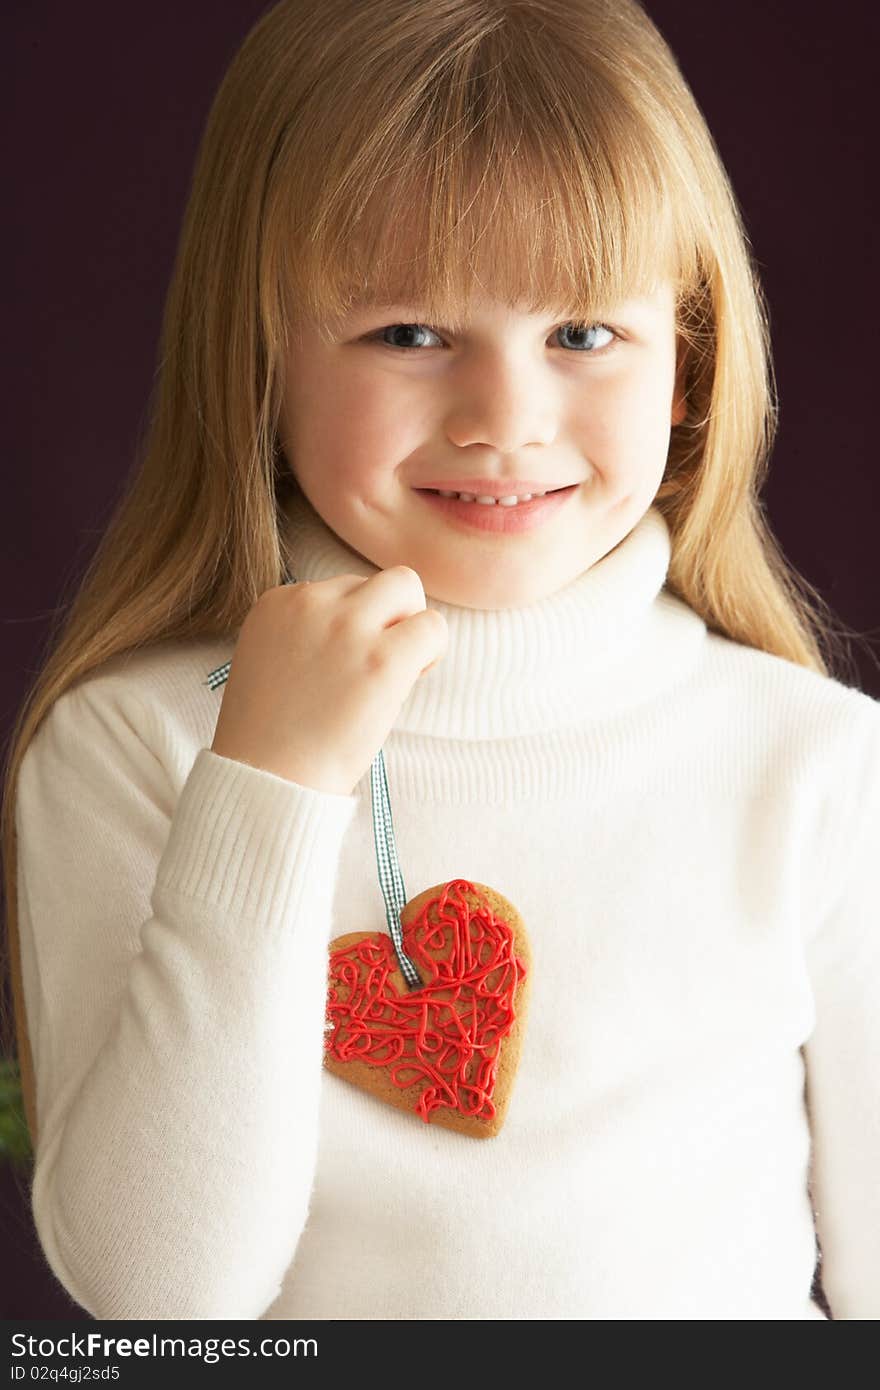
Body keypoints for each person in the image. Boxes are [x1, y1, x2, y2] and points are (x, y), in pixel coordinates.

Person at [2, 0, 877, 1321]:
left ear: (688, 359)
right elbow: (161, 1300)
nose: (503, 421)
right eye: (410, 333)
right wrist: (272, 785)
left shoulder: (810, 763)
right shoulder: (140, 743)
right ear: (260, 361)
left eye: (584, 333)